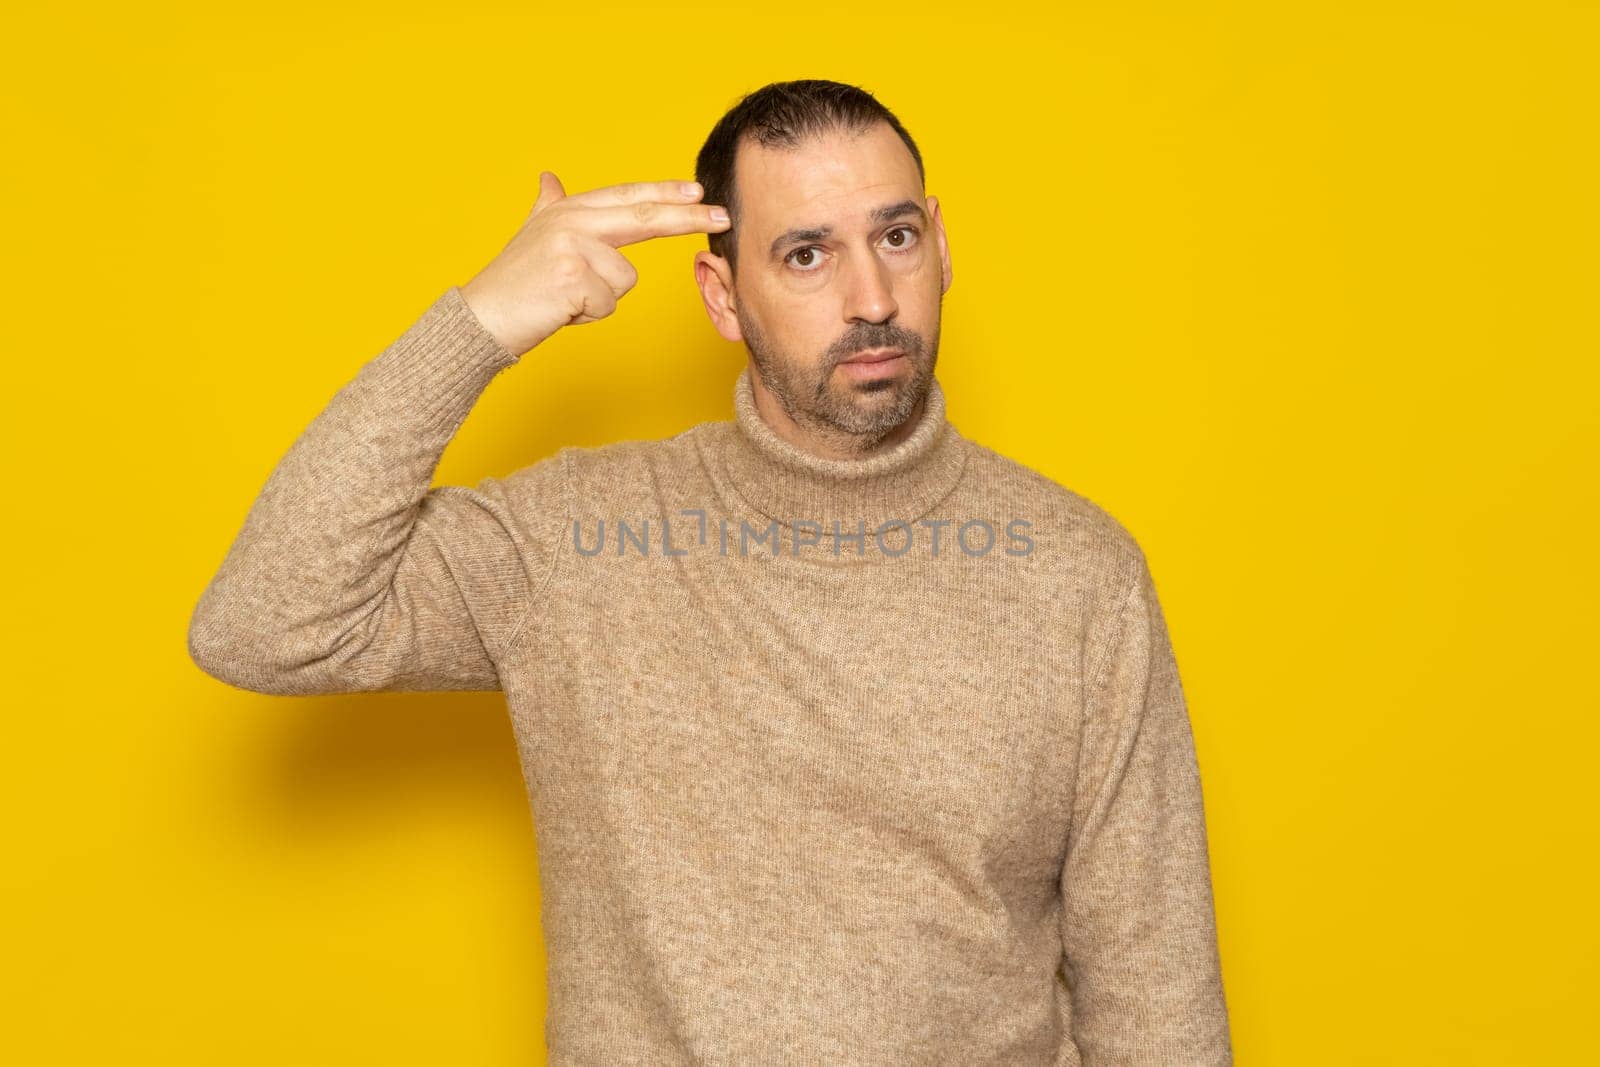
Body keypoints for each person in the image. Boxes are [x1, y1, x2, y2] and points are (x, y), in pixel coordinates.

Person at [188, 78, 1233, 1065]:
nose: (872, 296)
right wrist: (479, 326)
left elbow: (1156, 994)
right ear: (722, 297)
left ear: (943, 246)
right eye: (807, 255)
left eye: (896, 236)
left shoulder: (1077, 572)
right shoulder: (573, 544)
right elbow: (267, 624)